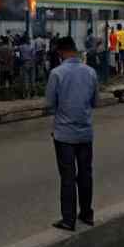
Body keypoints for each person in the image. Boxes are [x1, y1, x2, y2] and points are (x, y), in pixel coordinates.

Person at [45, 36, 98, 232]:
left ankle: (68, 220)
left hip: (64, 135)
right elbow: (95, 102)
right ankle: (87, 214)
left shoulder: (56, 74)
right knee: (85, 175)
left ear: (61, 52)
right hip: (85, 132)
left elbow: (50, 104)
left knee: (68, 177)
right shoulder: (91, 72)